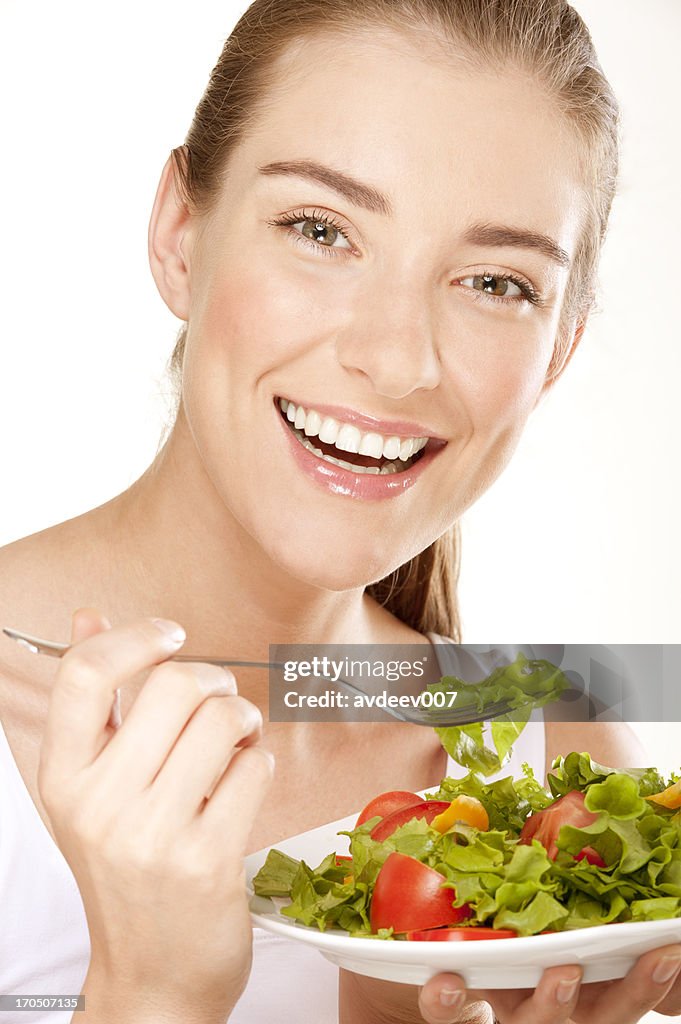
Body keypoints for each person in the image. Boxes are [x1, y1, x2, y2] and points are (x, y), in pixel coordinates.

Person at [0, 0, 679, 1022]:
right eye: (321, 230)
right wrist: (150, 996)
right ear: (183, 234)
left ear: (560, 353)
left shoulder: (551, 763)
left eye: (496, 282)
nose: (398, 359)